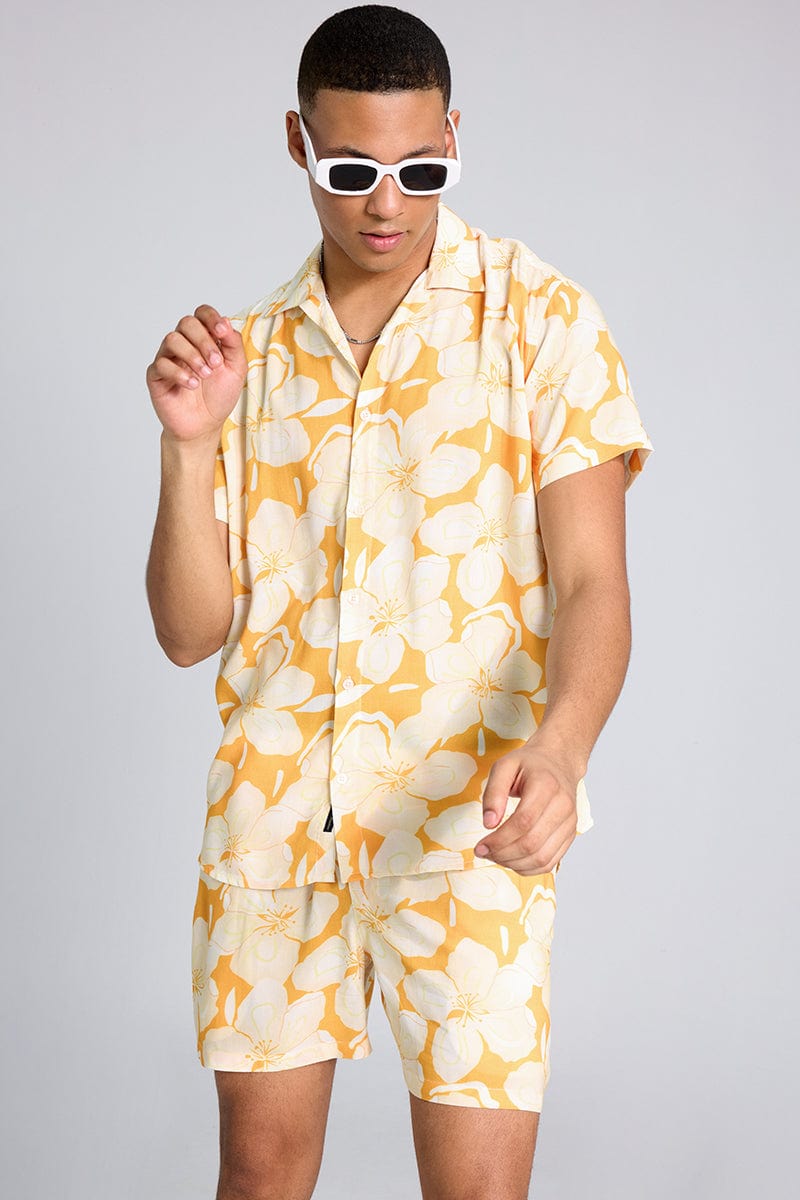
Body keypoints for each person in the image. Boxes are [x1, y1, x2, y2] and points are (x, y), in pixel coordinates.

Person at [145, 5, 654, 1198]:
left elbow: (592, 581)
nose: (387, 203)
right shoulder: (247, 357)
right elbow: (187, 632)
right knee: (258, 1177)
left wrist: (562, 751)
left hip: (466, 826)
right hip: (274, 832)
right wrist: (185, 448)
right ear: (297, 143)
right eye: (351, 170)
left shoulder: (541, 321)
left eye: (421, 169)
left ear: (452, 138)